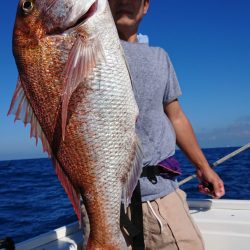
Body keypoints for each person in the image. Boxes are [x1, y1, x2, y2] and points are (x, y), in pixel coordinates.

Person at [106, 0, 225, 249]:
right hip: (104, 206)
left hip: (163, 195)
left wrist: (203, 167)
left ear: (146, 6)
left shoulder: (160, 57)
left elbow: (176, 116)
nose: (124, 1)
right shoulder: (84, 51)